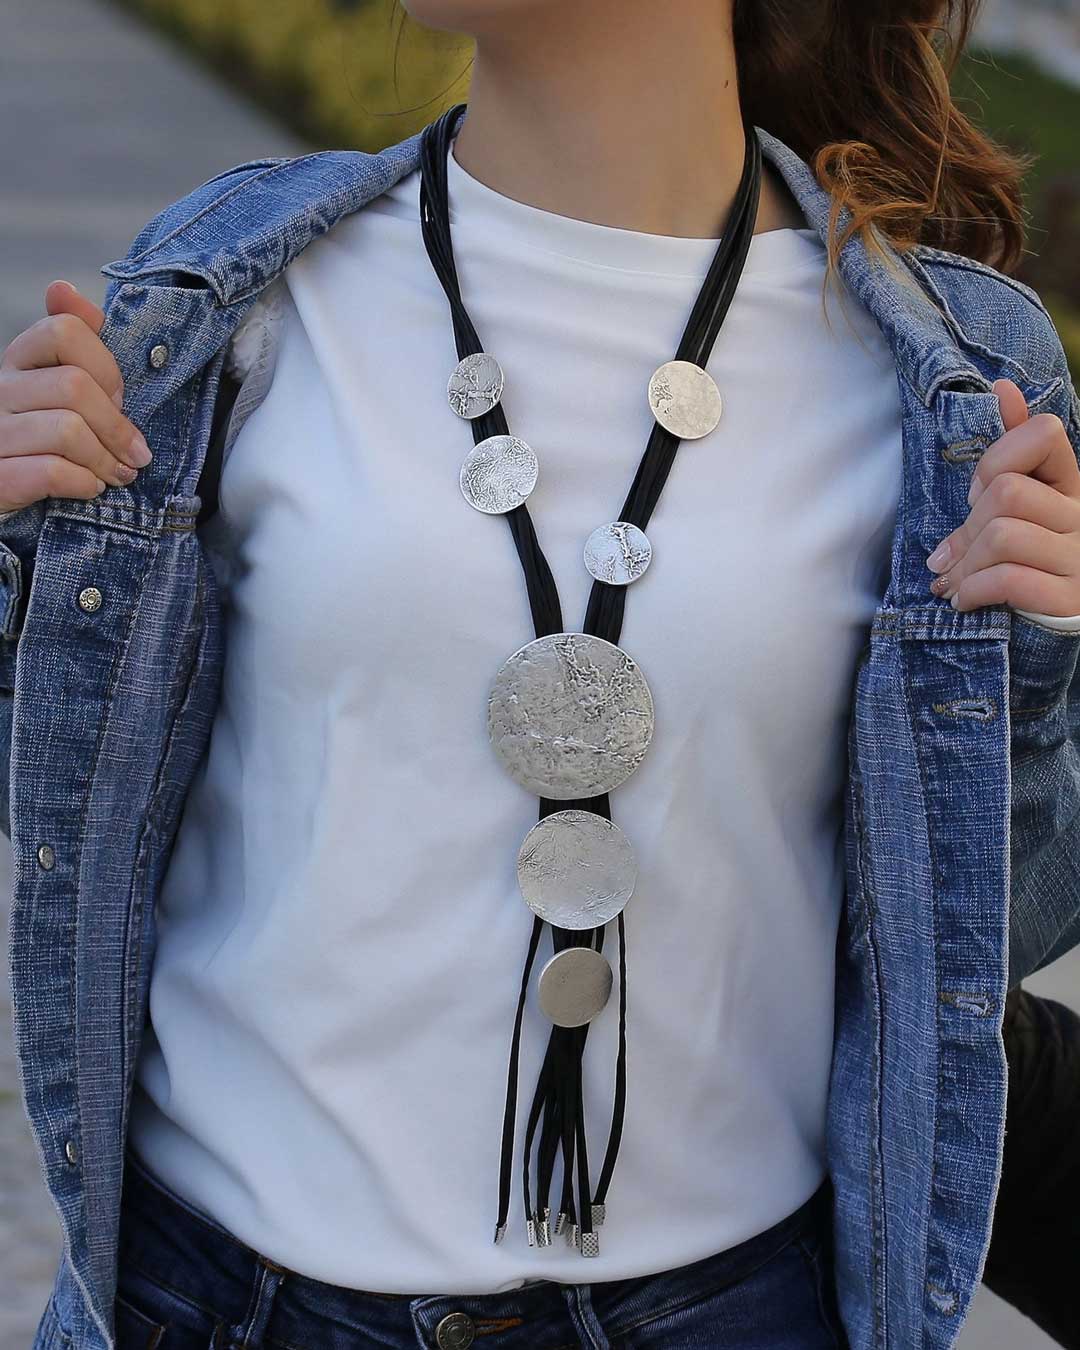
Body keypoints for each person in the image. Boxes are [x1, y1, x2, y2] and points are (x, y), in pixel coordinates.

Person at [1, 2, 1079, 1347]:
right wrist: (24, 574)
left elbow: (996, 933)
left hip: (723, 1311)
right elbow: (68, 810)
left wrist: (1026, 678)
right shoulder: (229, 295)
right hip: (210, 1300)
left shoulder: (957, 383)